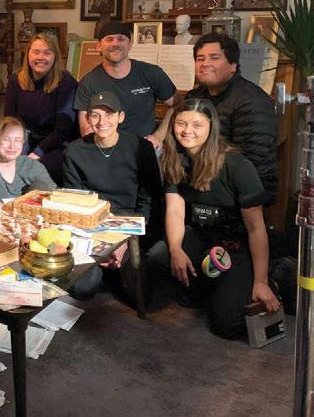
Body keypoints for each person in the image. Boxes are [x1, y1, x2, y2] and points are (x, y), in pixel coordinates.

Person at [148, 99, 280, 339]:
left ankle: (274, 276)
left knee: (227, 325)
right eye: (181, 123)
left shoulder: (237, 165)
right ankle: (207, 287)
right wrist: (176, 249)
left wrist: (260, 281)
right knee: (160, 256)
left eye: (197, 125)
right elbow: (175, 209)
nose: (187, 131)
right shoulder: (174, 159)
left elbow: (256, 228)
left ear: (211, 127)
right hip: (201, 235)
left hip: (236, 244)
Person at [63, 91, 163, 300]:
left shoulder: (140, 148)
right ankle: (105, 270)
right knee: (82, 289)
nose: (102, 122)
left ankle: (116, 271)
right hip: (93, 227)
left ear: (121, 117)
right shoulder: (74, 152)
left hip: (130, 226)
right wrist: (99, 244)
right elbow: (76, 203)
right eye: (95, 115)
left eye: (109, 114)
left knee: (140, 294)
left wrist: (124, 241)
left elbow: (148, 199)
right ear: (87, 118)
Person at [185, 33, 277, 205]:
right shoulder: (196, 95)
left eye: (214, 58)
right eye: (200, 58)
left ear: (233, 65)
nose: (205, 64)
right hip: (205, 172)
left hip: (244, 185)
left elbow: (249, 158)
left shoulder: (251, 100)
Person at [74, 21, 177, 148]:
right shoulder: (88, 83)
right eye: (109, 39)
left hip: (145, 147)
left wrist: (159, 136)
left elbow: (178, 104)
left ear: (130, 45)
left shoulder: (151, 73)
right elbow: (87, 131)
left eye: (121, 39)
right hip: (107, 149)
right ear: (99, 46)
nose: (115, 44)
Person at [3, 32, 77, 182]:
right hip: (23, 140)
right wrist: (16, 150)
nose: (40, 57)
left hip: (56, 144)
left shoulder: (66, 83)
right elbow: (9, 121)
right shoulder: (15, 80)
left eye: (47, 53)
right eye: (36, 52)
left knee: (35, 170)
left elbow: (62, 131)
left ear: (55, 56)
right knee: (4, 166)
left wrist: (36, 153)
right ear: (28, 54)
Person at [0, 117, 56, 218]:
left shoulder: (31, 164)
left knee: (40, 186)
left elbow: (54, 194)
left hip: (33, 220)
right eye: (6, 139)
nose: (12, 146)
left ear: (23, 142)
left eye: (17, 140)